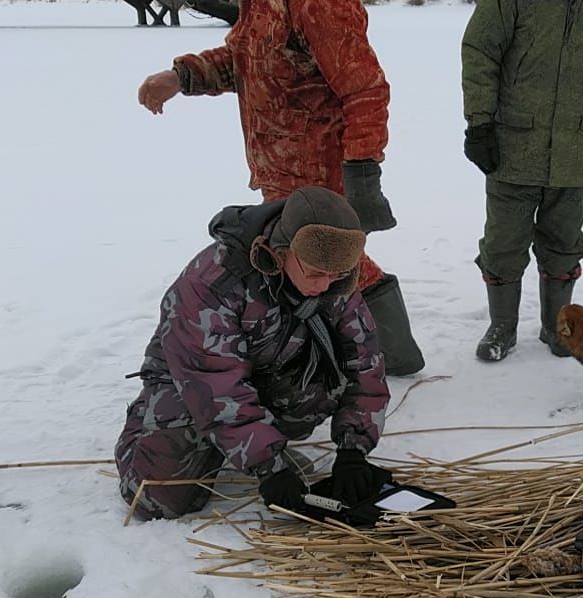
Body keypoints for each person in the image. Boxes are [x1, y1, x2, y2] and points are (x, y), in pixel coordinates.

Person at [136, 0, 425, 376]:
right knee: (311, 264)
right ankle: (339, 349)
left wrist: (363, 172)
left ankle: (390, 355)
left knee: (329, 262)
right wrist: (182, 76)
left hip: (318, 172)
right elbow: (249, 60)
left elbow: (365, 89)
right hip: (278, 171)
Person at [116, 187, 392, 521]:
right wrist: (269, 468)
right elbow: (216, 386)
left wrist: (354, 451)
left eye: (336, 275)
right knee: (156, 501)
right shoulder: (213, 283)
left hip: (268, 369)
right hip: (191, 382)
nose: (325, 286)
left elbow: (365, 364)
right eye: (316, 273)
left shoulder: (334, 280)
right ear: (282, 251)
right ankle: (146, 423)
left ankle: (248, 443)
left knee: (317, 391)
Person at [461, 0, 583, 362]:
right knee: (503, 243)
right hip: (512, 146)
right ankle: (502, 326)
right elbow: (480, 52)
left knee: (564, 241)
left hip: (575, 149)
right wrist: (479, 122)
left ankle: (557, 327)